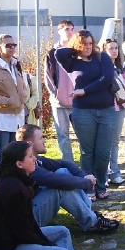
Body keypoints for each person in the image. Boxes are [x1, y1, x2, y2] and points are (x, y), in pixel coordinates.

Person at [0, 141, 77, 250]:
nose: (34, 159)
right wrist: (46, 245)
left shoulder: (18, 182)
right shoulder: (14, 189)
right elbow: (21, 232)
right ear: (19, 164)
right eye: (30, 156)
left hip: (17, 239)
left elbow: (30, 225)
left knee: (63, 231)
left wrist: (43, 242)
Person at [15, 124, 120, 233]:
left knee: (63, 171)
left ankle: (90, 215)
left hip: (32, 209)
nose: (44, 141)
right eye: (41, 138)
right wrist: (87, 183)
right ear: (29, 144)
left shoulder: (36, 160)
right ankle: (92, 222)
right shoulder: (26, 166)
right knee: (59, 189)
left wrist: (83, 175)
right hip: (25, 223)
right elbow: (58, 181)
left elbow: (64, 164)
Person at [55, 30, 115, 200]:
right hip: (83, 111)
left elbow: (107, 78)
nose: (88, 47)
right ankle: (88, 186)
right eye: (84, 44)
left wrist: (84, 90)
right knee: (87, 152)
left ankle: (101, 185)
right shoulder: (72, 62)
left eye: (90, 43)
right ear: (78, 45)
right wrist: (75, 47)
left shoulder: (102, 57)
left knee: (103, 152)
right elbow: (59, 52)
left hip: (106, 110)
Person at [0, 34, 28, 185]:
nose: (12, 48)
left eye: (14, 45)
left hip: (18, 116)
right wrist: (5, 101)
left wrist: (24, 96)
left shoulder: (16, 65)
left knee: (16, 155)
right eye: (8, 45)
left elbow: (22, 85)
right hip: (2, 117)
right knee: (0, 154)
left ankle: (13, 183)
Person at [102, 38, 125, 184]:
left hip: (119, 107)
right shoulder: (101, 67)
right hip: (106, 107)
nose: (114, 51)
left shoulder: (122, 68)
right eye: (110, 48)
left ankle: (114, 172)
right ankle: (103, 174)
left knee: (114, 141)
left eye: (116, 48)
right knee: (104, 142)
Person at [44, 20, 75, 161]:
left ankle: (87, 165)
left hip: (78, 101)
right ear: (60, 31)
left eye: (72, 29)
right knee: (63, 136)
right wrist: (55, 94)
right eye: (67, 29)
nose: (70, 32)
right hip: (59, 102)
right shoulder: (52, 53)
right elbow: (48, 76)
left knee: (84, 135)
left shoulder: (77, 51)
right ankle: (69, 164)